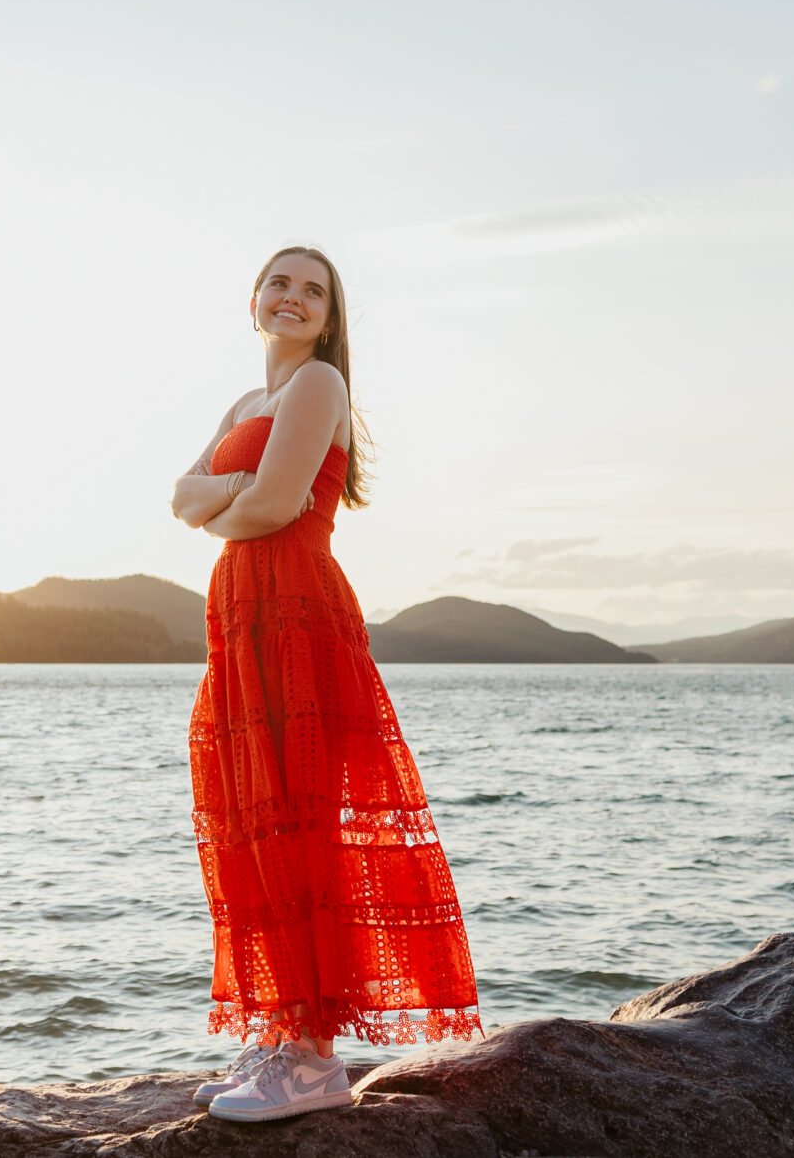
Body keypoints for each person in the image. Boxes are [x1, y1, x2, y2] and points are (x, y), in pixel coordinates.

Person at [169, 246, 483, 1123]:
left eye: (315, 289)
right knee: (253, 819)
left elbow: (266, 510)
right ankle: (279, 1029)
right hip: (240, 614)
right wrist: (236, 490)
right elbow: (179, 497)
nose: (294, 297)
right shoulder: (247, 403)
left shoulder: (318, 387)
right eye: (280, 282)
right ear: (254, 300)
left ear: (331, 316)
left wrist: (223, 497)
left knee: (302, 816)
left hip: (297, 606)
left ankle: (311, 1059)